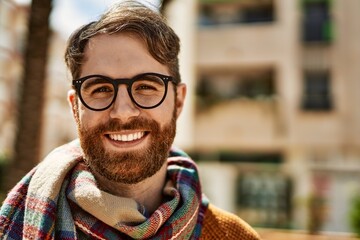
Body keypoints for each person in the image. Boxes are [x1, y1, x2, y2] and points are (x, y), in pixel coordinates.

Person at [0, 1, 260, 239]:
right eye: (100, 89)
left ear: (178, 101)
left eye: (146, 86)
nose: (123, 112)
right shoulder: (12, 226)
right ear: (75, 107)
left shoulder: (233, 235)